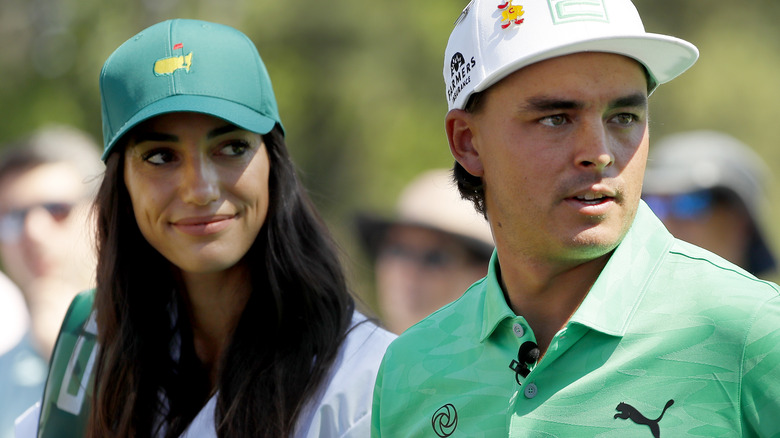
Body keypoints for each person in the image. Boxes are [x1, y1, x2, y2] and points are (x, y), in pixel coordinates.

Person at [372, 1, 780, 436]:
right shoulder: (409, 369)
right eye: (556, 119)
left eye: (624, 116)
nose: (599, 151)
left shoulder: (752, 334)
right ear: (468, 141)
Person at [16, 19, 395, 437]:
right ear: (121, 183)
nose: (200, 189)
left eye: (231, 147)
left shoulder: (369, 379)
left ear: (273, 164)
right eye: (161, 156)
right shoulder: (88, 358)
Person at [0, 125, 101, 438]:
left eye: (57, 209)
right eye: (12, 217)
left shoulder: (179, 339)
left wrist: (70, 350)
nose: (33, 231)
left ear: (104, 214)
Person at [355, 168, 493, 334]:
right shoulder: (346, 355)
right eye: (397, 250)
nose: (409, 271)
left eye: (435, 258)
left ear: (484, 274)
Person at [642, 130, 776, 277]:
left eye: (689, 203)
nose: (666, 221)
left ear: (740, 224)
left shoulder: (767, 299)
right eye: (653, 204)